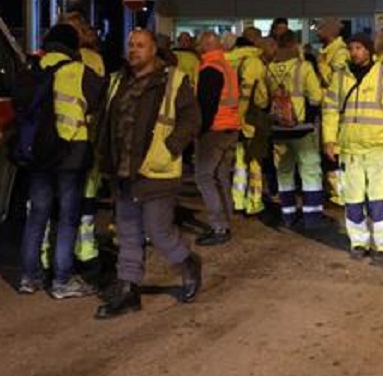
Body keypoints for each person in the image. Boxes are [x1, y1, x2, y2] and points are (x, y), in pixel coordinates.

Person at [92, 28, 203, 319]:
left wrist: (171, 147)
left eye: (140, 45)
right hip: (124, 171)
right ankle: (128, 290)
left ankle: (187, 262)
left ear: (154, 49)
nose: (133, 50)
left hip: (157, 170)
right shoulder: (118, 80)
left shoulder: (172, 80)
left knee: (158, 231)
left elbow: (192, 118)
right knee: (128, 234)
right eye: (130, 45)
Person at [18, 23, 105, 299]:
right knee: (68, 218)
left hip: (38, 153)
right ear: (72, 46)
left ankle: (29, 278)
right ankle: (61, 281)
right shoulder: (79, 71)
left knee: (36, 216)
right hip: (71, 153)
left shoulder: (32, 68)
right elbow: (98, 99)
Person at [322, 32, 383, 264]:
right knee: (352, 199)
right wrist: (329, 140)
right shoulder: (340, 77)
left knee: (378, 199)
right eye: (352, 48)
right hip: (350, 149)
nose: (354, 52)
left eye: (359, 48)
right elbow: (330, 110)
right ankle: (359, 241)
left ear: (369, 50)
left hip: (379, 147)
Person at [266, 31, 326, 228]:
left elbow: (263, 98)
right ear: (295, 45)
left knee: (284, 170)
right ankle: (312, 215)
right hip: (301, 127)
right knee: (310, 170)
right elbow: (316, 96)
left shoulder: (269, 68)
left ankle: (288, 214)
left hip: (278, 127)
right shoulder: (303, 67)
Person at [194, 31, 242, 246]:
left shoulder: (209, 69)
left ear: (205, 45)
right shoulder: (226, 66)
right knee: (222, 177)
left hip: (214, 130)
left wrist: (199, 130)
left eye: (199, 42)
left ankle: (219, 227)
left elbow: (207, 106)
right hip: (231, 128)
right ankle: (226, 222)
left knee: (204, 176)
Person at [227, 35, 270, 218]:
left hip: (230, 118)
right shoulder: (254, 62)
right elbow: (260, 96)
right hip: (251, 119)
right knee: (255, 162)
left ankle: (237, 200)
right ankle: (254, 202)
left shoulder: (226, 61)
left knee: (238, 163)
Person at [315, 17, 349, 206]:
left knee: (333, 153)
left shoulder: (340, 53)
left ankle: (340, 195)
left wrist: (320, 66)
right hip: (328, 108)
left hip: (335, 109)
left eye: (320, 29)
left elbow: (335, 82)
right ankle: (336, 192)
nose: (317, 32)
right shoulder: (328, 51)